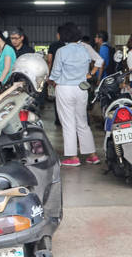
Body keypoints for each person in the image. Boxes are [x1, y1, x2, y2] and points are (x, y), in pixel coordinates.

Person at [49, 23, 99, 167]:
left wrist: (51, 81)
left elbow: (56, 72)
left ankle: (73, 157)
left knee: (68, 124)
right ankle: (92, 156)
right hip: (81, 88)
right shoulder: (85, 48)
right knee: (83, 122)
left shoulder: (62, 51)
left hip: (65, 88)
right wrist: (90, 74)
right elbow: (100, 61)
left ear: (63, 35)